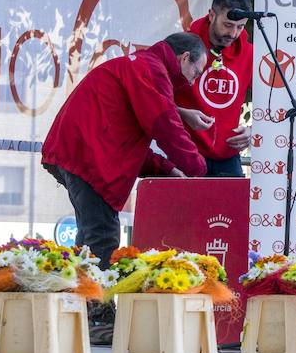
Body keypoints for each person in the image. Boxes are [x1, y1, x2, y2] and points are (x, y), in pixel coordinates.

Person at [41, 32, 209, 269]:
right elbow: (165, 126)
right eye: (196, 73)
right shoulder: (151, 69)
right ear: (185, 58)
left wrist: (168, 168)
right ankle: (98, 305)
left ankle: (80, 303)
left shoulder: (140, 66)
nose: (192, 82)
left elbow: (128, 145)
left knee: (90, 241)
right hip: (89, 156)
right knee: (102, 239)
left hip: (80, 151)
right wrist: (200, 171)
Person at [175, 0, 256, 176]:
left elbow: (274, 100)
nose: (233, 33)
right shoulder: (182, 47)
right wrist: (182, 113)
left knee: (232, 206)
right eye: (228, 24)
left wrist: (253, 130)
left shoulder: (250, 54)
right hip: (185, 152)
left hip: (228, 157)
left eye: (241, 26)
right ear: (211, 15)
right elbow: (157, 96)